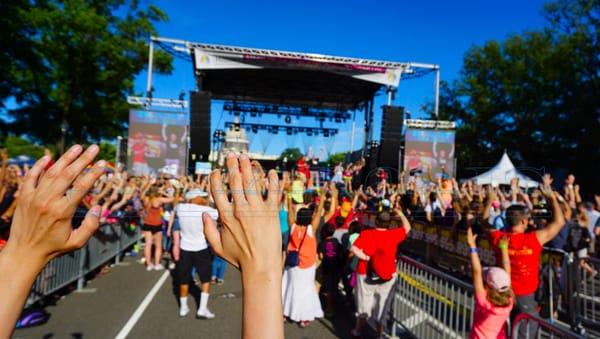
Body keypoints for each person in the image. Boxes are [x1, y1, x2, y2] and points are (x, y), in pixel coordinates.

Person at [485, 174, 565, 329]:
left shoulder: (498, 237)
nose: (529, 221)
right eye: (527, 219)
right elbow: (559, 222)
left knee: (503, 327)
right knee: (526, 330)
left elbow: (483, 223)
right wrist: (552, 198)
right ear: (523, 221)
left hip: (502, 292)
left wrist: (489, 202)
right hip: (525, 295)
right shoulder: (534, 238)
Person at [350, 209, 411, 338]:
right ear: (389, 224)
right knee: (383, 305)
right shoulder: (393, 234)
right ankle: (379, 334)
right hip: (388, 274)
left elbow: (353, 248)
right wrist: (400, 214)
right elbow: (407, 227)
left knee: (363, 302)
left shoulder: (366, 233)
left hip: (365, 271)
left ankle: (358, 329)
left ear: (375, 221)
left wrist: (366, 257)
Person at [170, 188, 218, 318]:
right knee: (206, 279)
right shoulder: (206, 210)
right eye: (201, 197)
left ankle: (183, 307)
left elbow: (175, 206)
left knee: (184, 279)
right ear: (195, 198)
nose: (203, 199)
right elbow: (219, 213)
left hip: (185, 248)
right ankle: (202, 308)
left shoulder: (180, 208)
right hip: (201, 248)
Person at [282, 194, 325, 327]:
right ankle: (303, 318)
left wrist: (288, 199)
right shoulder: (311, 229)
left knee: (288, 287)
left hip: (292, 264)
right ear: (309, 218)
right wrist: (322, 199)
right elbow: (319, 213)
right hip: (307, 266)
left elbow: (289, 213)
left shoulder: (293, 227)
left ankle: (285, 312)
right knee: (306, 290)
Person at [467, 227, 513, 339]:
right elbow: (507, 267)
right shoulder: (509, 301)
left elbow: (477, 271)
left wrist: (472, 246)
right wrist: (503, 248)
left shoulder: (484, 302)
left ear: (489, 285)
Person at [141, 187, 172, 271]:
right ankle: (157, 264)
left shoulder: (146, 199)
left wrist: (148, 186)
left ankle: (148, 264)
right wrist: (164, 193)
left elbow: (142, 196)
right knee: (158, 246)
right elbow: (172, 199)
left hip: (147, 223)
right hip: (157, 224)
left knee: (148, 244)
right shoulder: (159, 199)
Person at [318, 223, 342, 316]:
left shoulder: (322, 243)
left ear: (323, 232)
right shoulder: (337, 242)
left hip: (327, 267)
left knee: (328, 289)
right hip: (336, 267)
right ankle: (336, 305)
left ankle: (329, 308)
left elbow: (321, 257)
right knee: (334, 287)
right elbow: (341, 254)